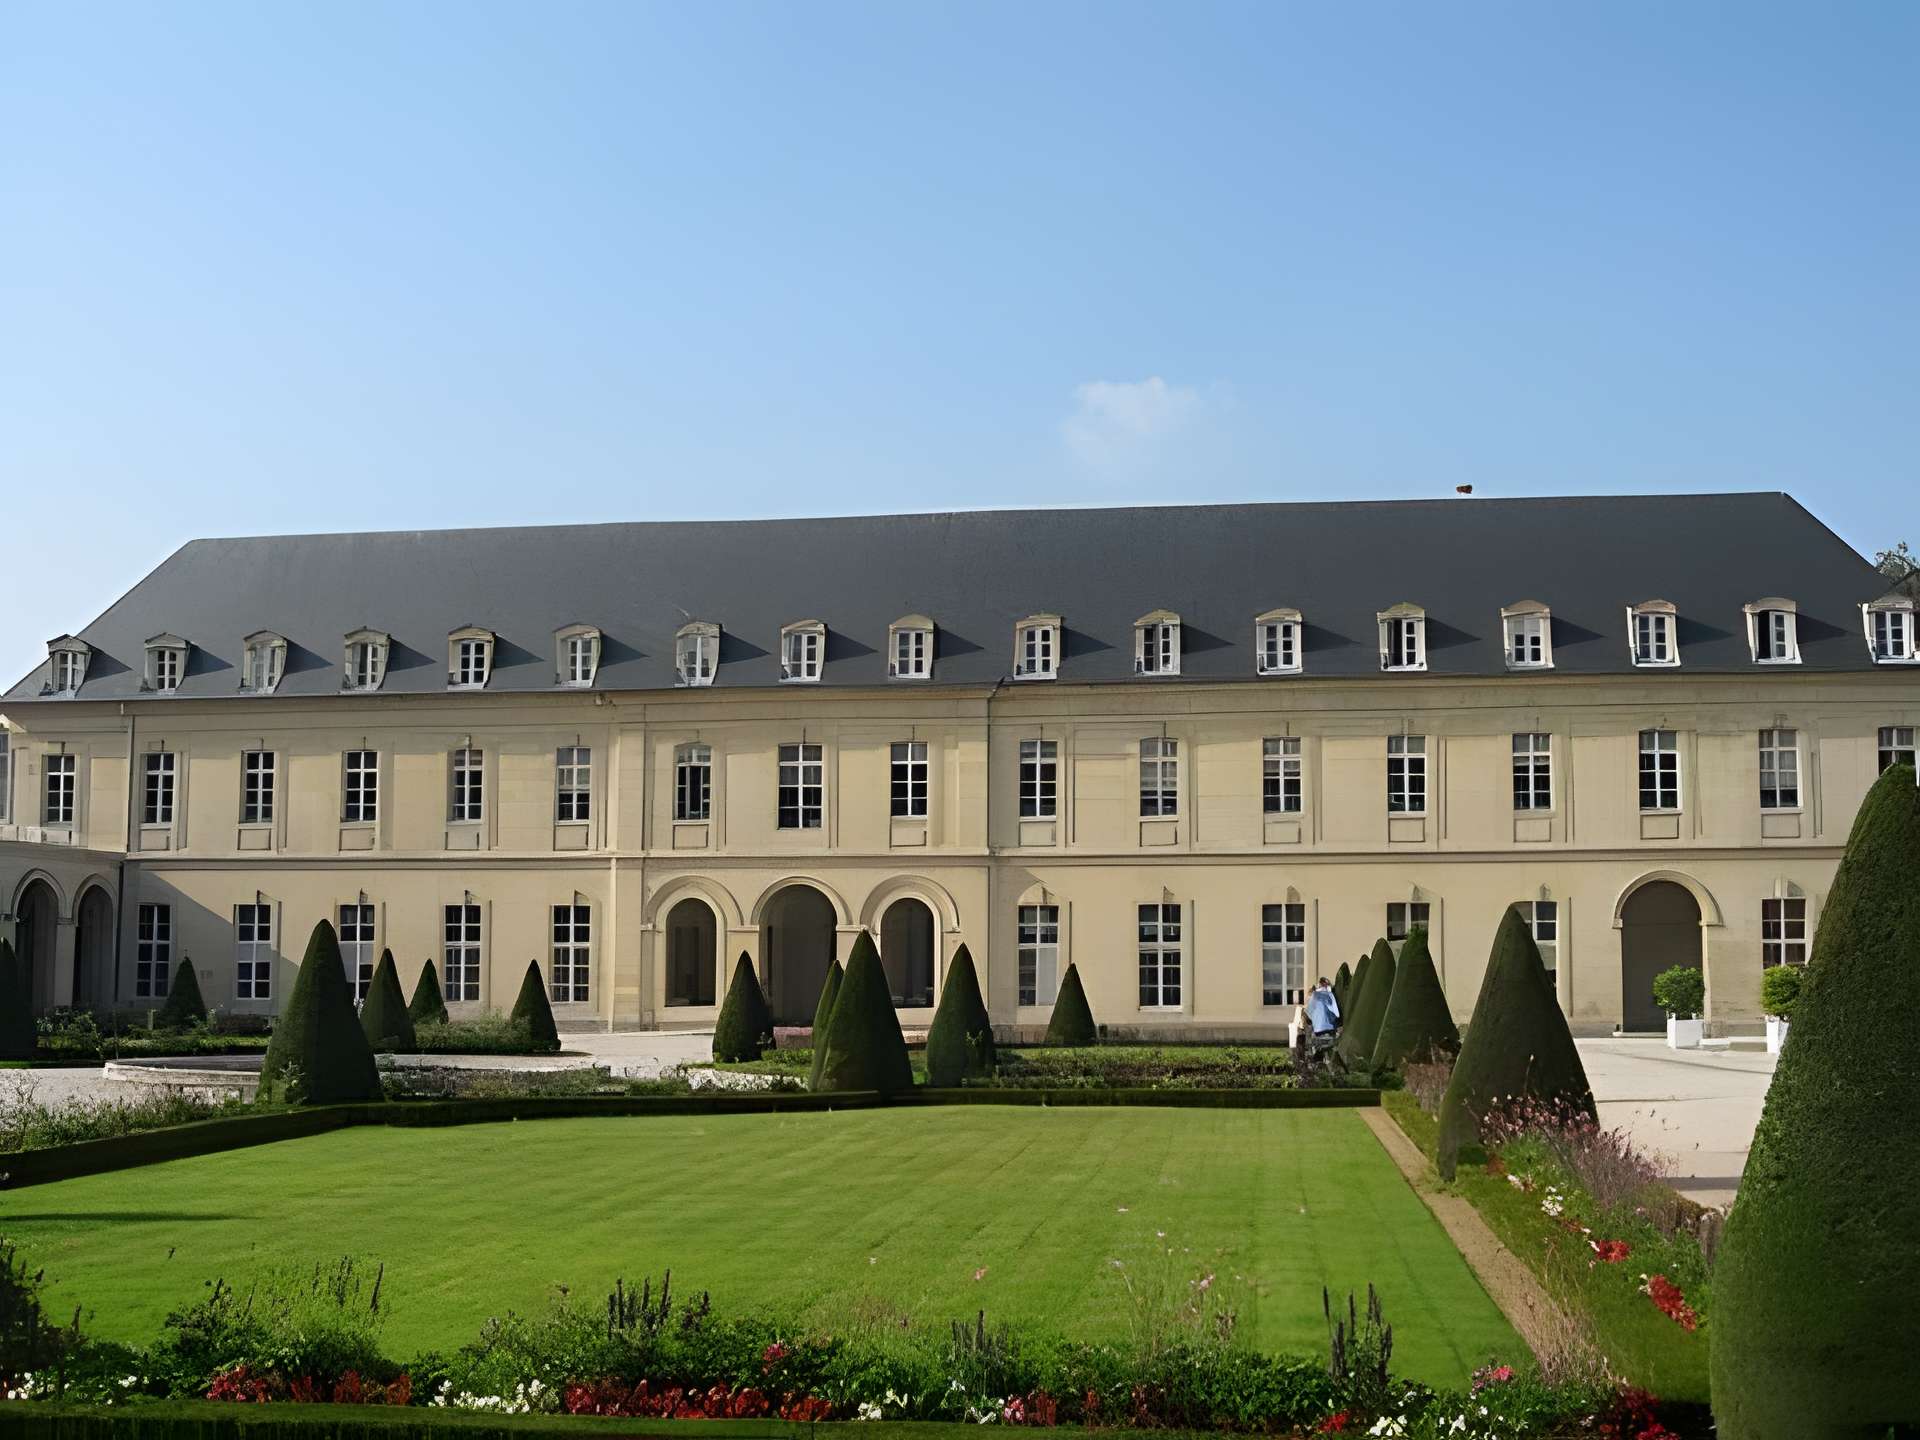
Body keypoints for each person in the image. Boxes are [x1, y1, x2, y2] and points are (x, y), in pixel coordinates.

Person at [1305, 975, 1341, 1053]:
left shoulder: (1314, 995)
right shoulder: (1330, 994)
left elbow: (1308, 1012)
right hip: (1330, 1028)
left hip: (1318, 1029)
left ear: (1319, 985)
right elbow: (1336, 1013)